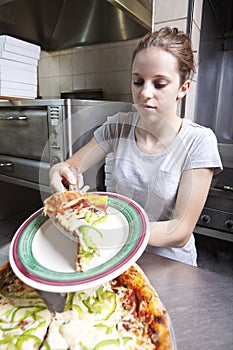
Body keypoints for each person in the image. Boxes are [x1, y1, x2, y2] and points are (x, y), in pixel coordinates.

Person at [49, 27, 222, 266]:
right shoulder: (117, 127)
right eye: (138, 82)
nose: (145, 94)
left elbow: (180, 231)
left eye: (159, 84)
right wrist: (59, 171)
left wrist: (108, 231)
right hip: (114, 255)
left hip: (169, 264)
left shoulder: (198, 142)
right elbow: (72, 166)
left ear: (183, 89)